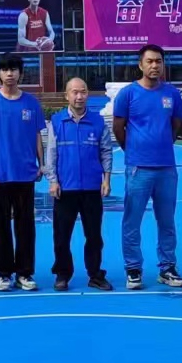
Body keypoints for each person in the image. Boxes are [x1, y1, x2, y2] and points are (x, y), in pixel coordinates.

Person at [112, 44, 182, 290]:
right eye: (150, 61)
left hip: (166, 168)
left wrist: (161, 145)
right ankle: (133, 269)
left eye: (158, 61)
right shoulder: (127, 94)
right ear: (140, 65)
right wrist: (133, 150)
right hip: (138, 169)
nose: (155, 65)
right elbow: (118, 128)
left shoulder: (172, 94)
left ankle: (167, 268)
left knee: (167, 221)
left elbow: (175, 125)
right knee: (132, 221)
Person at [0, 54, 46, 291]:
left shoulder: (31, 103)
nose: (9, 74)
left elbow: (37, 135)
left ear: (20, 73)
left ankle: (24, 273)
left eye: (14, 69)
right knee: (1, 226)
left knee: (26, 226)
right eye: (5, 70)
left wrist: (41, 163)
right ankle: (3, 273)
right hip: (0, 175)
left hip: (26, 174)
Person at [46, 77, 113, 292]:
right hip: (65, 188)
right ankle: (62, 274)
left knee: (94, 236)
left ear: (87, 94)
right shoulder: (57, 121)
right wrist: (53, 181)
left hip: (92, 188)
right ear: (66, 95)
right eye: (74, 92)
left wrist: (106, 179)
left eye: (83, 92)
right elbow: (51, 154)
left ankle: (95, 274)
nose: (79, 96)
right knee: (62, 236)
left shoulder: (98, 122)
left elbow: (106, 151)